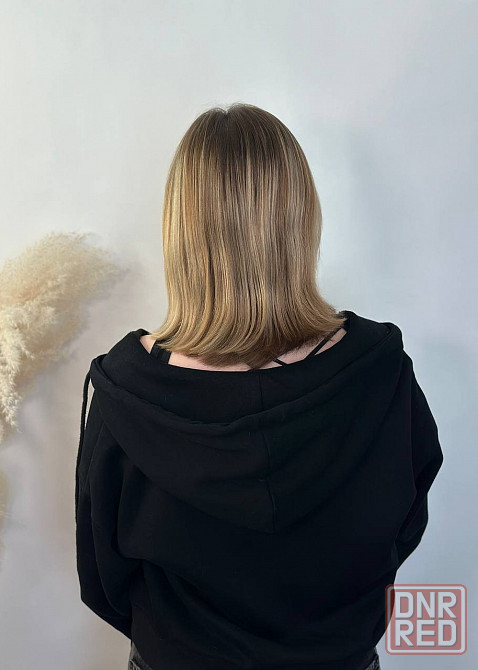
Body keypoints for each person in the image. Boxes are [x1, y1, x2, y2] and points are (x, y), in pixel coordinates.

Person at [75, 103, 443, 670]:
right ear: (301, 218)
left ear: (180, 231)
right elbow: (403, 523)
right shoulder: (378, 370)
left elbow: (103, 573)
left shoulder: (128, 390)